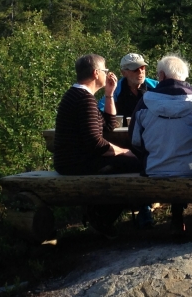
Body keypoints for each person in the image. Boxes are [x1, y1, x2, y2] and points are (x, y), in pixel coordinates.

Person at [131, 54, 192, 231]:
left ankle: (177, 217)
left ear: (162, 76)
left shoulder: (145, 101)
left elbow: (135, 140)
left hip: (153, 169)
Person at [54, 54, 140, 235]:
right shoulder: (84, 100)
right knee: (135, 165)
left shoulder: (79, 96)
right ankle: (101, 218)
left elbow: (109, 125)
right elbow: (96, 143)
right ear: (96, 73)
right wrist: (124, 151)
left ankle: (98, 213)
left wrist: (109, 94)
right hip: (76, 164)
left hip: (71, 162)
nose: (107, 73)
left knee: (127, 163)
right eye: (105, 70)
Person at [98, 53, 158, 124]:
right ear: (123, 73)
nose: (140, 71)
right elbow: (101, 108)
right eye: (135, 69)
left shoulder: (155, 86)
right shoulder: (116, 89)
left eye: (142, 68)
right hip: (123, 132)